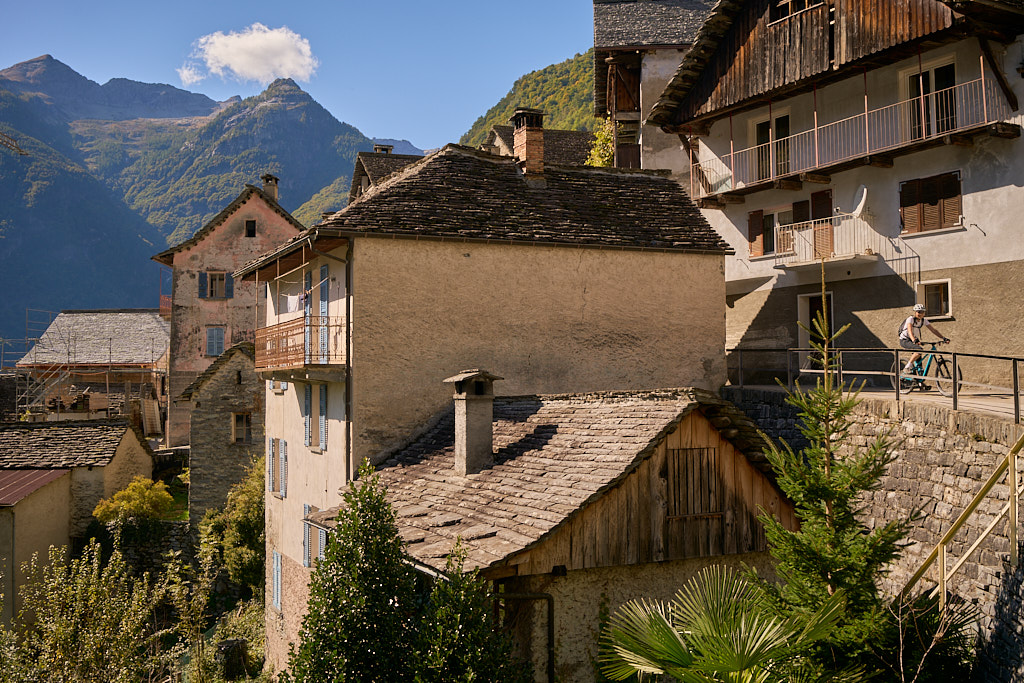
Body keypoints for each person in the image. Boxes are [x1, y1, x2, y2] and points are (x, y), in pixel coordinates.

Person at [899, 303, 949, 377]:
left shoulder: (924, 320)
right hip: (905, 340)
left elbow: (933, 330)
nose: (920, 314)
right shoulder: (910, 319)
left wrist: (943, 338)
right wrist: (914, 340)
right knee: (919, 350)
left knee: (919, 363)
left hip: (914, 340)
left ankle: (919, 380)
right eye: (918, 312)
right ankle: (907, 368)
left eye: (922, 312)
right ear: (915, 312)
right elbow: (909, 330)